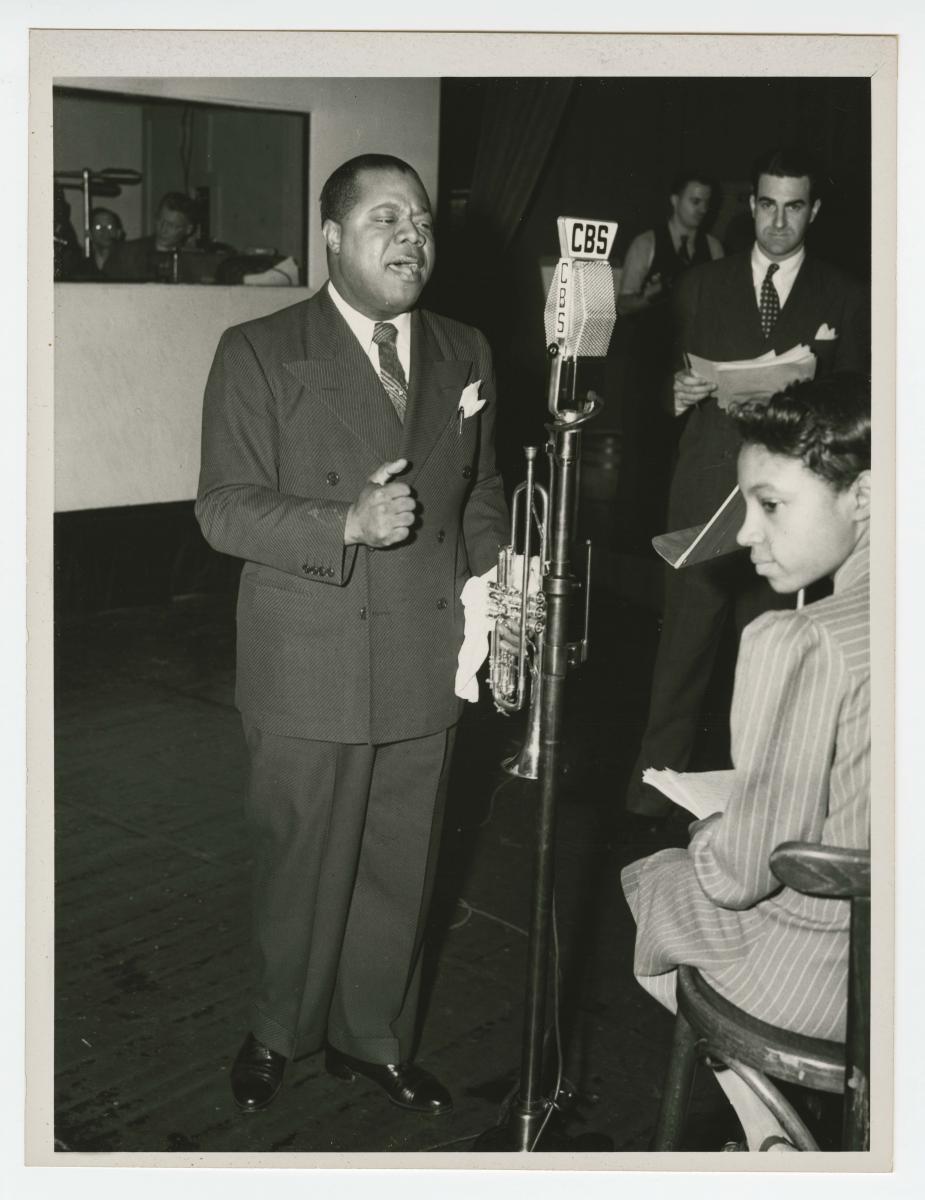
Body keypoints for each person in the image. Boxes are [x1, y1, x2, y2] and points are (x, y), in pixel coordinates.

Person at [195, 153, 508, 1117]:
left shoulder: (467, 350)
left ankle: (372, 1036)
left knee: (401, 861)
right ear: (330, 236)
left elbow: (483, 490)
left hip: (427, 648)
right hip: (310, 654)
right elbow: (222, 508)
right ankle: (276, 1028)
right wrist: (343, 524)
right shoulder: (256, 349)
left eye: (419, 220)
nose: (411, 236)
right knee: (301, 859)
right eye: (384, 219)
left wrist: (499, 576)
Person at [622, 373, 871, 1150]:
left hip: (831, 983)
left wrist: (713, 830)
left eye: (769, 506)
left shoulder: (797, 639)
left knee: (653, 878)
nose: (742, 535)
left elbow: (740, 874)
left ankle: (772, 1136)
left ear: (862, 498)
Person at [625, 147, 868, 819]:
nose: (778, 220)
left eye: (794, 207)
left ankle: (765, 802)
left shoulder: (846, 296)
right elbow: (648, 385)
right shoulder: (700, 285)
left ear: (812, 212)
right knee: (682, 645)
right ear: (751, 205)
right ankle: (650, 792)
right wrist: (672, 393)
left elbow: (861, 409)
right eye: (767, 204)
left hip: (793, 502)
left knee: (773, 657)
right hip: (705, 485)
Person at [614, 171, 723, 549]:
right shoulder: (646, 243)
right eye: (695, 200)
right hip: (648, 364)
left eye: (707, 203)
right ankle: (634, 546)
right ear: (675, 201)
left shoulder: (713, 247)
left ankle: (678, 541)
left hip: (692, 367)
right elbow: (622, 303)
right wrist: (650, 296)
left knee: (686, 454)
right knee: (644, 455)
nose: (702, 209)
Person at [112, 191, 197, 281]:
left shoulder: (195, 261)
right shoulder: (126, 254)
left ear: (188, 229)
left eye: (171, 225)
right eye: (160, 220)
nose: (163, 229)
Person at [71, 207, 126, 279]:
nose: (105, 231)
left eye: (110, 226)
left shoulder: (129, 266)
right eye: (98, 227)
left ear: (118, 233)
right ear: (89, 234)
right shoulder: (81, 269)